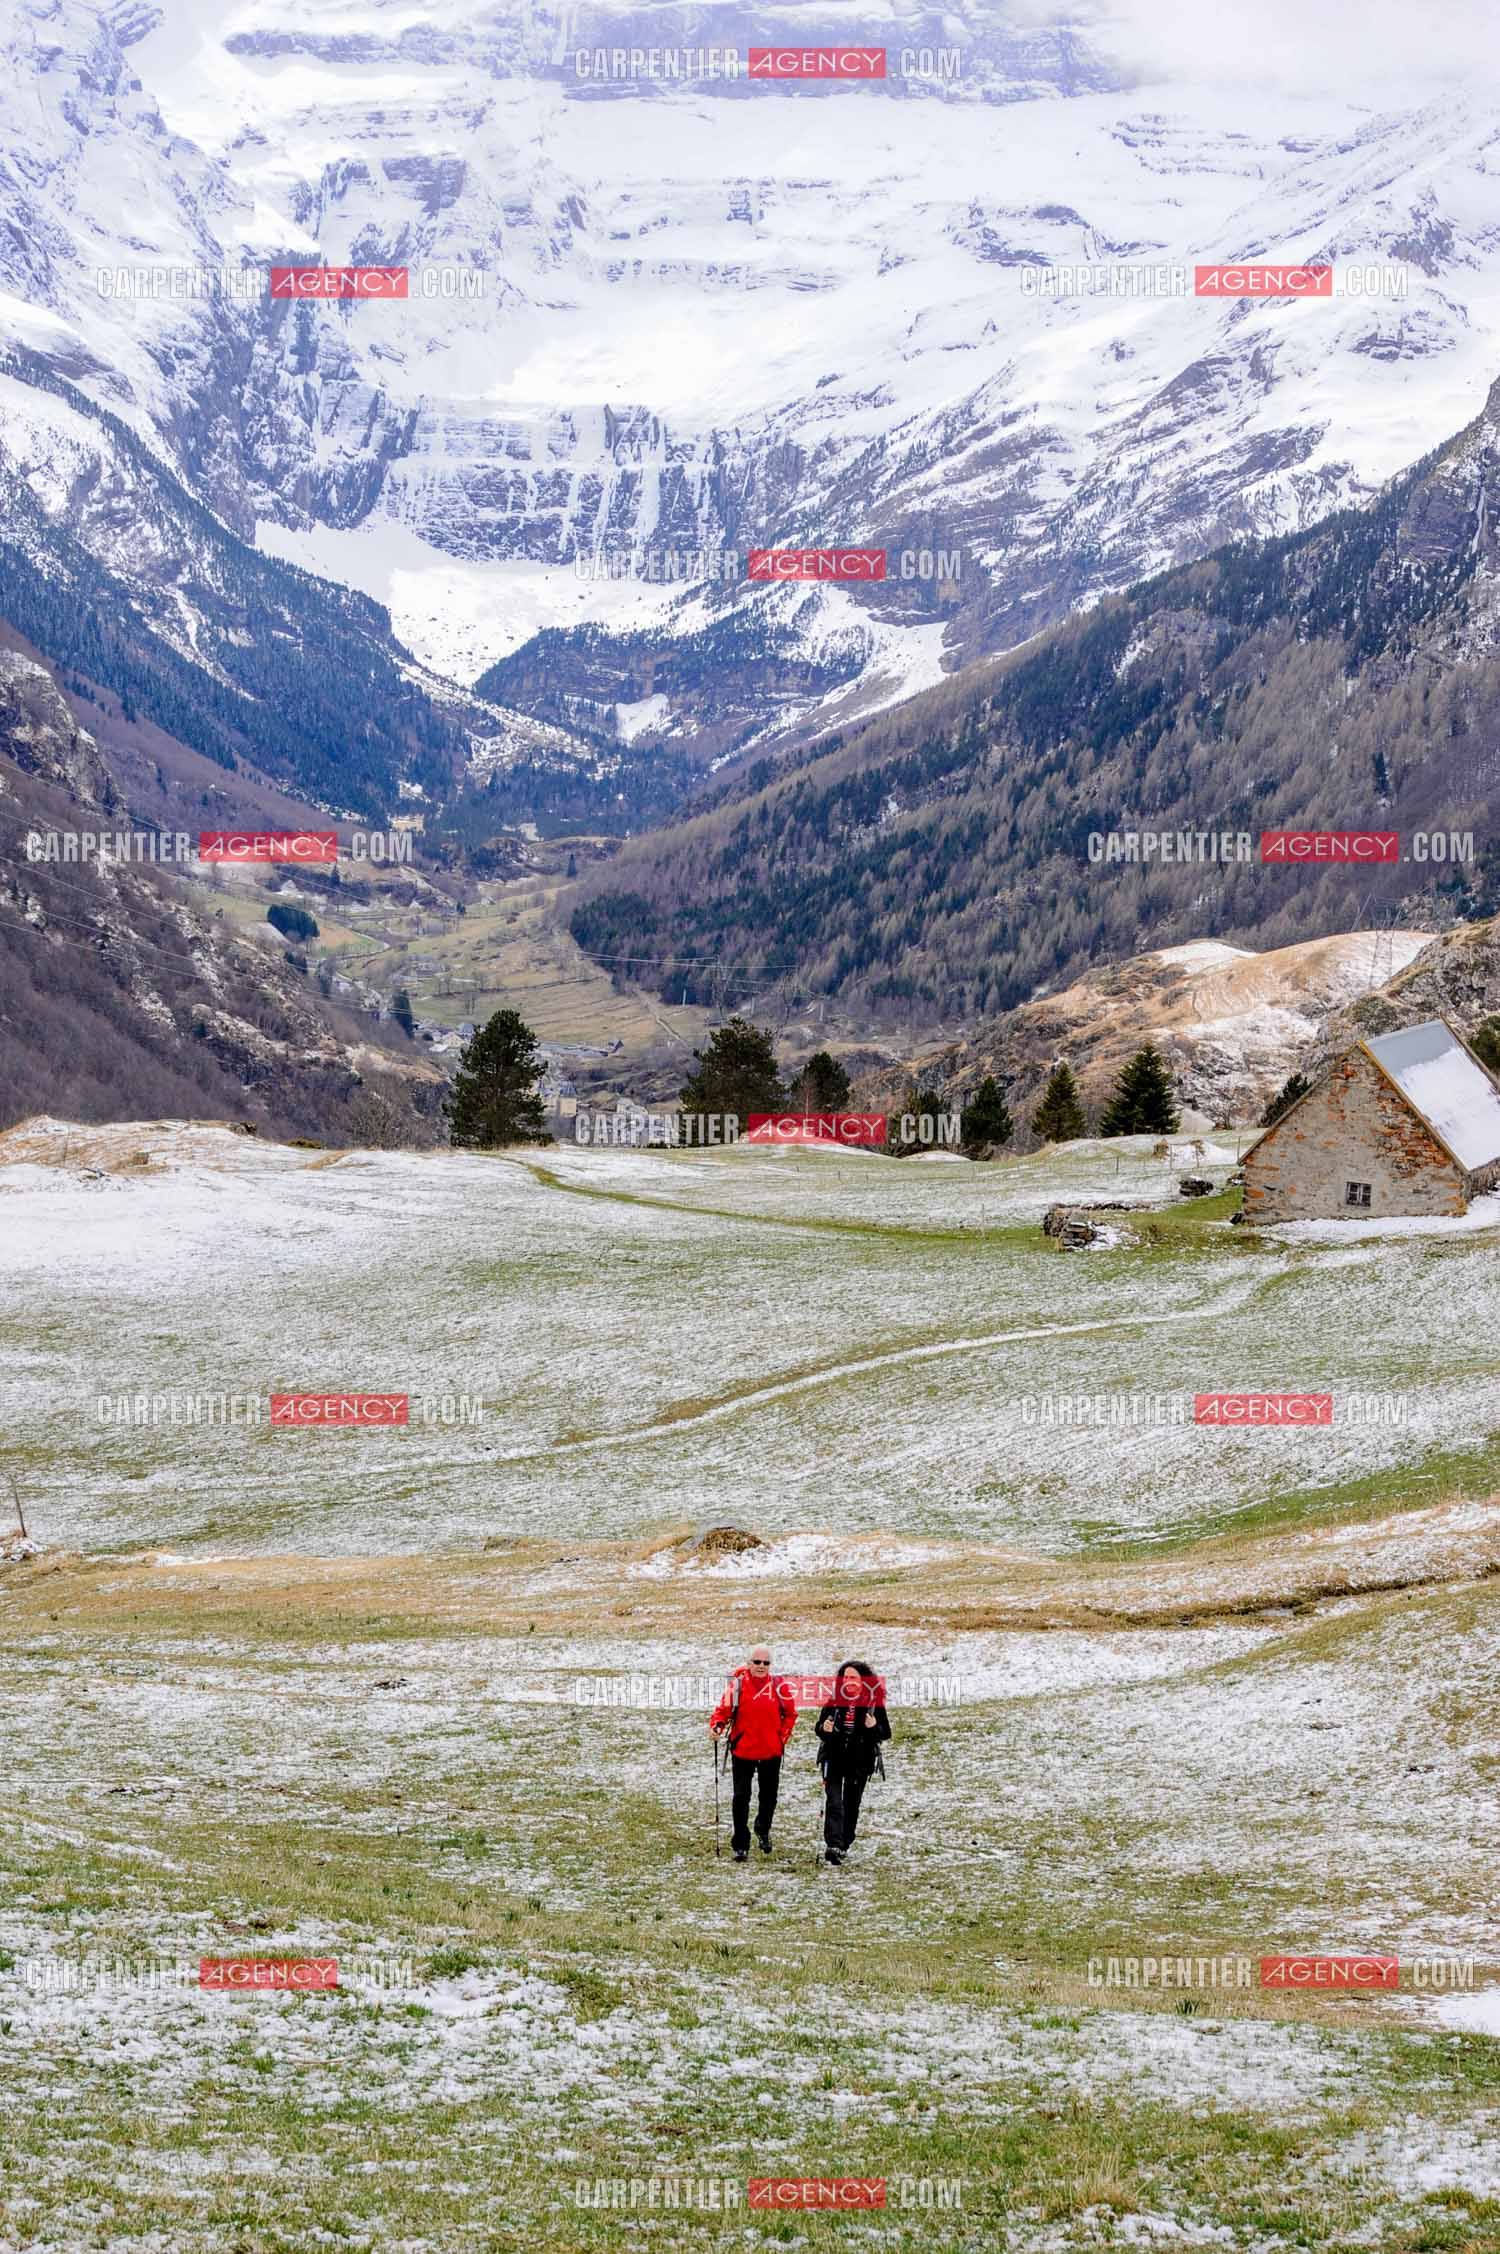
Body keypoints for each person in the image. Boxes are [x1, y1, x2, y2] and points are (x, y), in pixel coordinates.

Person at [709, 1646, 797, 1861]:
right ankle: (740, 1844)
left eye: (766, 1663)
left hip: (771, 1751)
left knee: (769, 1797)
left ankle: (762, 1828)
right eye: (757, 1662)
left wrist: (781, 1738)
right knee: (741, 1798)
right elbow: (723, 1711)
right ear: (749, 1663)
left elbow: (791, 1714)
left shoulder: (778, 1686)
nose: (761, 1666)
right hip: (743, 1751)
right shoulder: (737, 1686)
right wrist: (717, 1726)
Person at [815, 1659, 891, 1865]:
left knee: (851, 1804)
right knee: (834, 1802)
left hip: (859, 1761)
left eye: (853, 1678)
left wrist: (873, 1726)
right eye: (845, 1677)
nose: (849, 1681)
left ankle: (844, 1843)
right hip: (833, 1758)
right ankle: (833, 1844)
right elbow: (818, 1728)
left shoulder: (873, 1703)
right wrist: (825, 1728)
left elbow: (885, 1733)